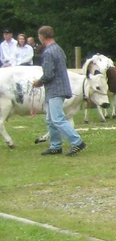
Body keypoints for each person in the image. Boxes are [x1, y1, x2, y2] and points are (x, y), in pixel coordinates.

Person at [31, 26, 86, 156]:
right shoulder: (58, 49)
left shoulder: (49, 52)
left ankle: (77, 142)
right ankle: (55, 146)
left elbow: (48, 74)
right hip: (58, 88)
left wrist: (38, 82)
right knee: (50, 119)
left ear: (42, 37)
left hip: (55, 89)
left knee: (57, 119)